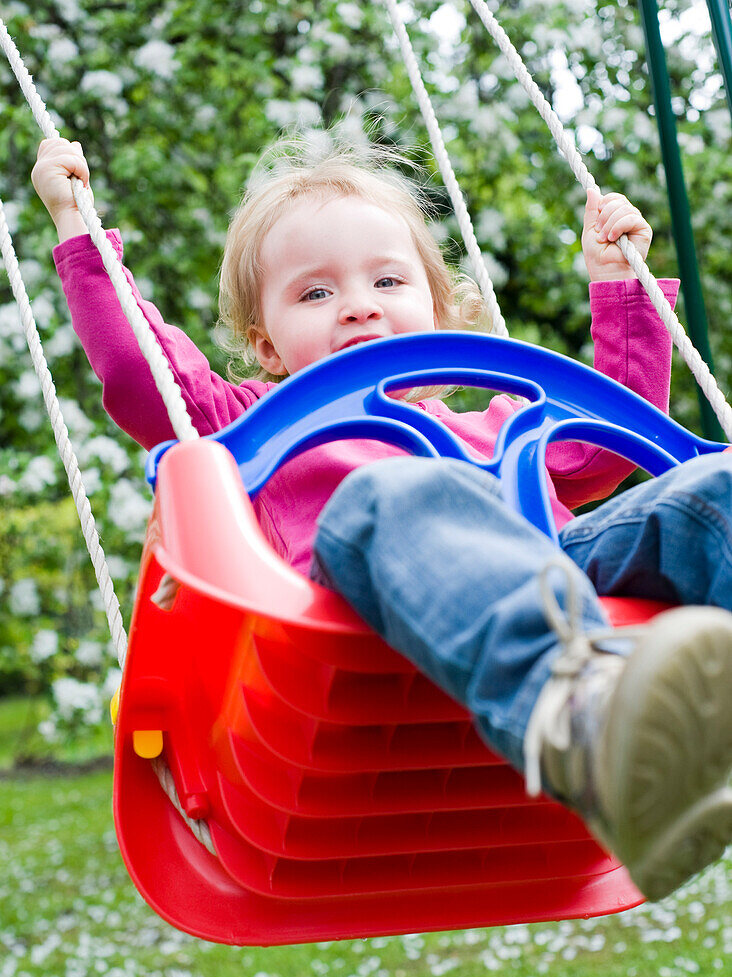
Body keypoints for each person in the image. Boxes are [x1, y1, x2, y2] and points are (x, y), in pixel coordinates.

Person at [32, 134, 732, 904]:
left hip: (557, 574)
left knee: (711, 492)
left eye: (387, 280)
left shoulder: (500, 427)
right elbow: (146, 377)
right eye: (315, 294)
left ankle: (662, 711)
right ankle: (583, 721)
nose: (360, 303)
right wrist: (79, 229)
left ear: (437, 309)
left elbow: (609, 444)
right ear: (267, 346)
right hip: (358, 643)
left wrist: (618, 287)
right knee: (395, 496)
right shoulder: (247, 425)